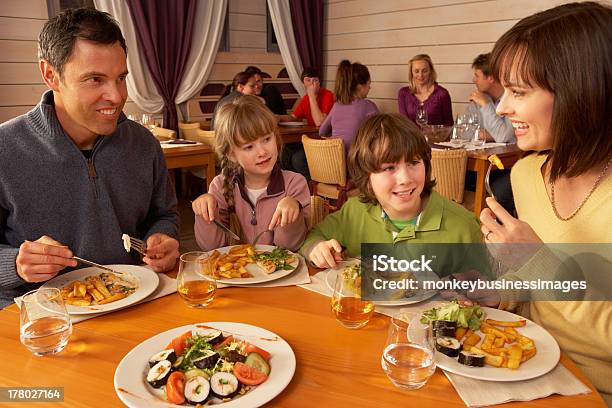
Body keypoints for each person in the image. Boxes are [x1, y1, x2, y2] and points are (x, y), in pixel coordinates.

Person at [0, 8, 180, 308]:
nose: (117, 95)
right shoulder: (5, 148)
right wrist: (15, 264)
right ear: (50, 75)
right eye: (95, 79)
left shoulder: (144, 143)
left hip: (134, 301)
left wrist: (164, 237)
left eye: (121, 78)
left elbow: (165, 215)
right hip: (40, 321)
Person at [478, 2, 612, 404]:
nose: (501, 108)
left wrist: (539, 263)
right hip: (523, 370)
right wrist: (501, 294)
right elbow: (540, 295)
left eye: (518, 92)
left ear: (580, 92)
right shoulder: (525, 175)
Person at [302, 113, 482, 268]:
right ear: (367, 175)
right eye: (389, 168)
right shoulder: (354, 212)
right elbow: (314, 237)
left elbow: (494, 289)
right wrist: (317, 249)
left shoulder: (464, 227)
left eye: (413, 163)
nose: (405, 179)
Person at [192, 95, 311, 252]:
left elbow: (289, 247)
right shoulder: (220, 186)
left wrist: (292, 212)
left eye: (267, 139)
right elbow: (211, 247)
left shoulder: (295, 184)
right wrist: (204, 213)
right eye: (249, 147)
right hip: (237, 274)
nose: (262, 152)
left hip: (282, 273)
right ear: (231, 154)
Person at [279, 67, 335, 180]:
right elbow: (293, 117)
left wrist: (311, 96)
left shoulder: (328, 95)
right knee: (285, 151)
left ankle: (312, 185)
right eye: (308, 80)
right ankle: (292, 185)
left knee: (298, 159)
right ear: (303, 83)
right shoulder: (305, 99)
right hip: (311, 140)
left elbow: (320, 122)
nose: (311, 83)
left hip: (325, 142)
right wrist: (278, 117)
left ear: (319, 82)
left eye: (315, 80)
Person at [319, 60, 379, 152]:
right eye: (368, 84)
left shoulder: (336, 106)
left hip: (334, 161)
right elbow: (380, 135)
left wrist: (338, 136)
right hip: (356, 162)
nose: (369, 87)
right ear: (359, 86)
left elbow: (322, 131)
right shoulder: (368, 106)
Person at [466, 53, 515, 143]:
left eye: (477, 76)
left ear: (491, 78)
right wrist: (493, 135)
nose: (473, 80)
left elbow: (503, 137)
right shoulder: (477, 99)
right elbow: (461, 132)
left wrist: (486, 104)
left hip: (509, 156)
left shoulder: (512, 99)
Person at [398, 54, 453, 127]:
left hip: (436, 138)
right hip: (411, 138)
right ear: (411, 73)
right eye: (416, 71)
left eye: (424, 71)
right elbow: (403, 124)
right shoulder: (403, 93)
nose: (420, 75)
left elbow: (449, 124)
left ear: (430, 71)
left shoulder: (442, 94)